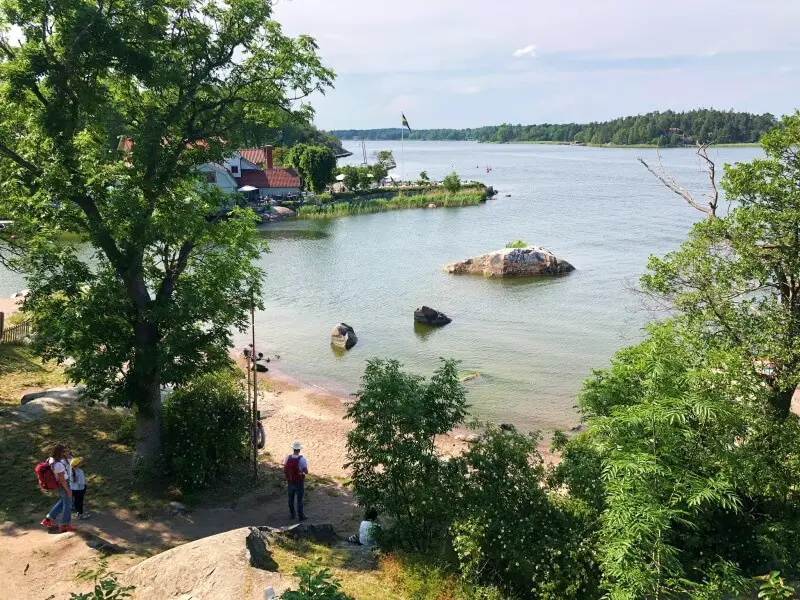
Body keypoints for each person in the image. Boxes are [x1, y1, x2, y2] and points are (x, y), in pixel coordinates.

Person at [41, 443, 75, 532]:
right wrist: (68, 490)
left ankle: (47, 520)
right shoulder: (58, 464)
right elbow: (62, 480)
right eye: (63, 451)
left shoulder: (50, 459)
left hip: (58, 484)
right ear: (60, 452)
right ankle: (65, 524)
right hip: (63, 484)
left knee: (63, 501)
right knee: (68, 503)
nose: (65, 453)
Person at [283, 441, 308, 521]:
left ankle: (292, 514)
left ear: (293, 449)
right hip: (299, 481)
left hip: (290, 481)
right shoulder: (302, 459)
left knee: (290, 498)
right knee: (299, 499)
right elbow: (306, 471)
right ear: (299, 450)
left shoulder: (287, 458)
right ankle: (301, 516)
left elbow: (285, 469)